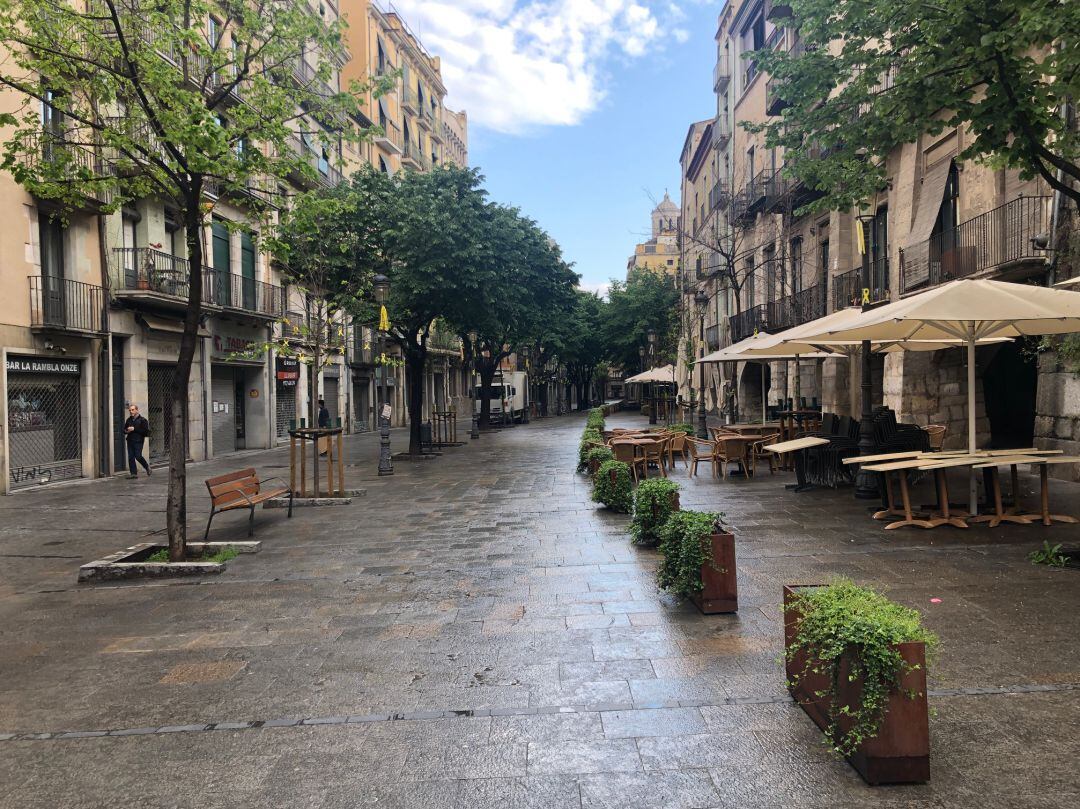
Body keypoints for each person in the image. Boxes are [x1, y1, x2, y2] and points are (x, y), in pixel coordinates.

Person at [123, 403, 151, 479]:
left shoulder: (143, 420)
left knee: (138, 456)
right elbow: (124, 430)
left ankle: (147, 467)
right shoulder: (128, 420)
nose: (131, 411)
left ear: (137, 410)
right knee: (131, 457)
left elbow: (145, 432)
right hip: (130, 440)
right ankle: (133, 473)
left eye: (132, 410)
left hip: (138, 441)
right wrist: (126, 431)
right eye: (130, 410)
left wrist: (134, 429)